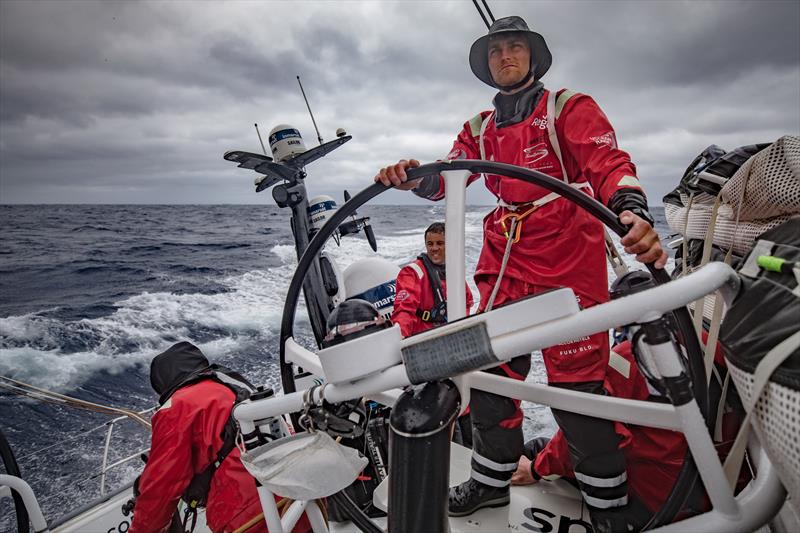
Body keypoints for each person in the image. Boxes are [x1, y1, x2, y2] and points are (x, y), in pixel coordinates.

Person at [374, 15, 667, 531]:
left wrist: (630, 208)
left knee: (578, 392)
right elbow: (449, 177)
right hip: (503, 259)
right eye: (495, 51)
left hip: (567, 260)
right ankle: (489, 483)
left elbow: (609, 162)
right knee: (491, 377)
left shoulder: (568, 108)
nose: (504, 56)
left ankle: (608, 508)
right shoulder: (478, 129)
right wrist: (411, 177)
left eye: (514, 47)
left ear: (533, 56)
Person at [130, 341, 310, 533]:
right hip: (301, 492)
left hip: (249, 515)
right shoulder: (230, 382)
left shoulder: (175, 408)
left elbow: (161, 486)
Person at [391, 222, 474, 337]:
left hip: (449, 336)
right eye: (430, 244)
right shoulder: (411, 273)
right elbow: (404, 310)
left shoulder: (453, 272)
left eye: (439, 243)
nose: (434, 248)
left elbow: (467, 301)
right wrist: (400, 336)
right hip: (420, 338)